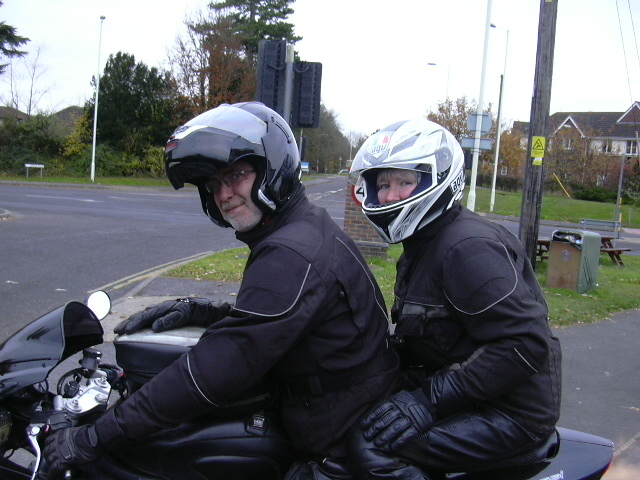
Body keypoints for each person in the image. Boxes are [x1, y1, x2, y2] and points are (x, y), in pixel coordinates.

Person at [44, 102, 400, 479]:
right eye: (215, 185)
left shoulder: (291, 253)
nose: (224, 194)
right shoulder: (301, 227)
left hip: (342, 447)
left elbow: (211, 372)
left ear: (271, 168)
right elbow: (275, 323)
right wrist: (200, 310)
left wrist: (94, 438)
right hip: (341, 416)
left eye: (235, 176)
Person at [345, 118, 562, 479]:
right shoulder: (423, 243)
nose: (390, 196)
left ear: (438, 180)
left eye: (404, 182)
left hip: (510, 411)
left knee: (371, 445)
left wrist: (426, 401)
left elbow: (525, 342)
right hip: (471, 392)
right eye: (383, 184)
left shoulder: (468, 248)